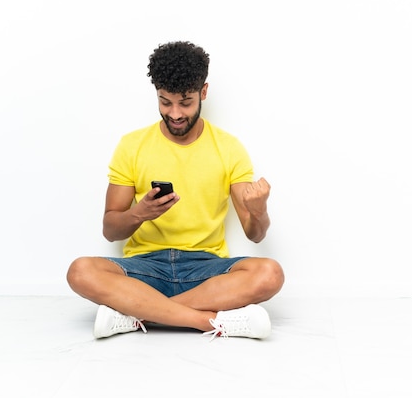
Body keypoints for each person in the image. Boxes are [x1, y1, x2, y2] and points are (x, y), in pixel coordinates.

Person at [66, 41, 284, 340]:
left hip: (206, 270)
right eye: (165, 102)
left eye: (186, 102)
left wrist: (258, 212)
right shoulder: (132, 145)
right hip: (146, 269)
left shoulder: (229, 148)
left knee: (270, 274)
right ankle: (207, 322)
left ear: (203, 93)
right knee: (80, 271)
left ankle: (137, 315)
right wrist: (140, 213)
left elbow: (254, 235)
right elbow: (110, 230)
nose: (176, 113)